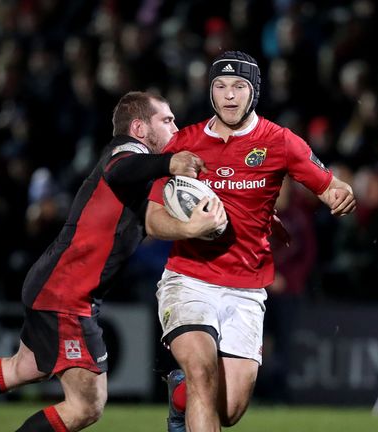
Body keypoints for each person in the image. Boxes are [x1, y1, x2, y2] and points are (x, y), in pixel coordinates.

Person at [0, 91, 219, 432]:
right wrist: (170, 164)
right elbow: (121, 168)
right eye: (166, 120)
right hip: (68, 295)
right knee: (87, 405)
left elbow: (153, 222)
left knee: (21, 368)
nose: (175, 127)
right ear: (140, 127)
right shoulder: (127, 152)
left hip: (56, 286)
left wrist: (191, 226)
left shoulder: (144, 173)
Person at [144, 51, 356, 432]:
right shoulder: (185, 143)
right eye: (220, 86)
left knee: (229, 410)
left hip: (246, 287)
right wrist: (190, 229)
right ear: (210, 91)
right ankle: (191, 385)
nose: (228, 95)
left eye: (238, 86)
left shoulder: (279, 141)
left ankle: (181, 394)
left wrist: (341, 194)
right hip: (188, 279)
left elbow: (330, 185)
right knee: (203, 373)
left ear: (253, 92)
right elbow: (152, 220)